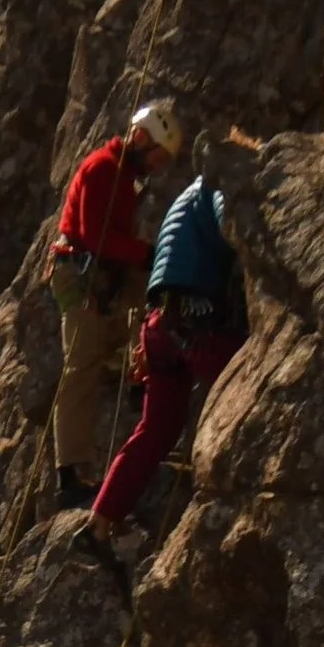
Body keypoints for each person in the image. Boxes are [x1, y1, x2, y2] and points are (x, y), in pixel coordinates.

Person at [87, 157, 248, 556]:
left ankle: (99, 523)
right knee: (244, 384)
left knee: (156, 429)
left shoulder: (183, 199)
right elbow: (236, 225)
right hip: (195, 321)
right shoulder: (217, 185)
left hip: (160, 324)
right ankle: (231, 496)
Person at [48, 94, 186, 507]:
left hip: (100, 273)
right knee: (81, 366)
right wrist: (148, 252)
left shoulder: (122, 176)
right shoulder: (102, 169)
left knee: (149, 308)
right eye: (158, 156)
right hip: (81, 272)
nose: (158, 166)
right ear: (141, 137)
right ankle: (70, 475)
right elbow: (95, 237)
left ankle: (140, 384)